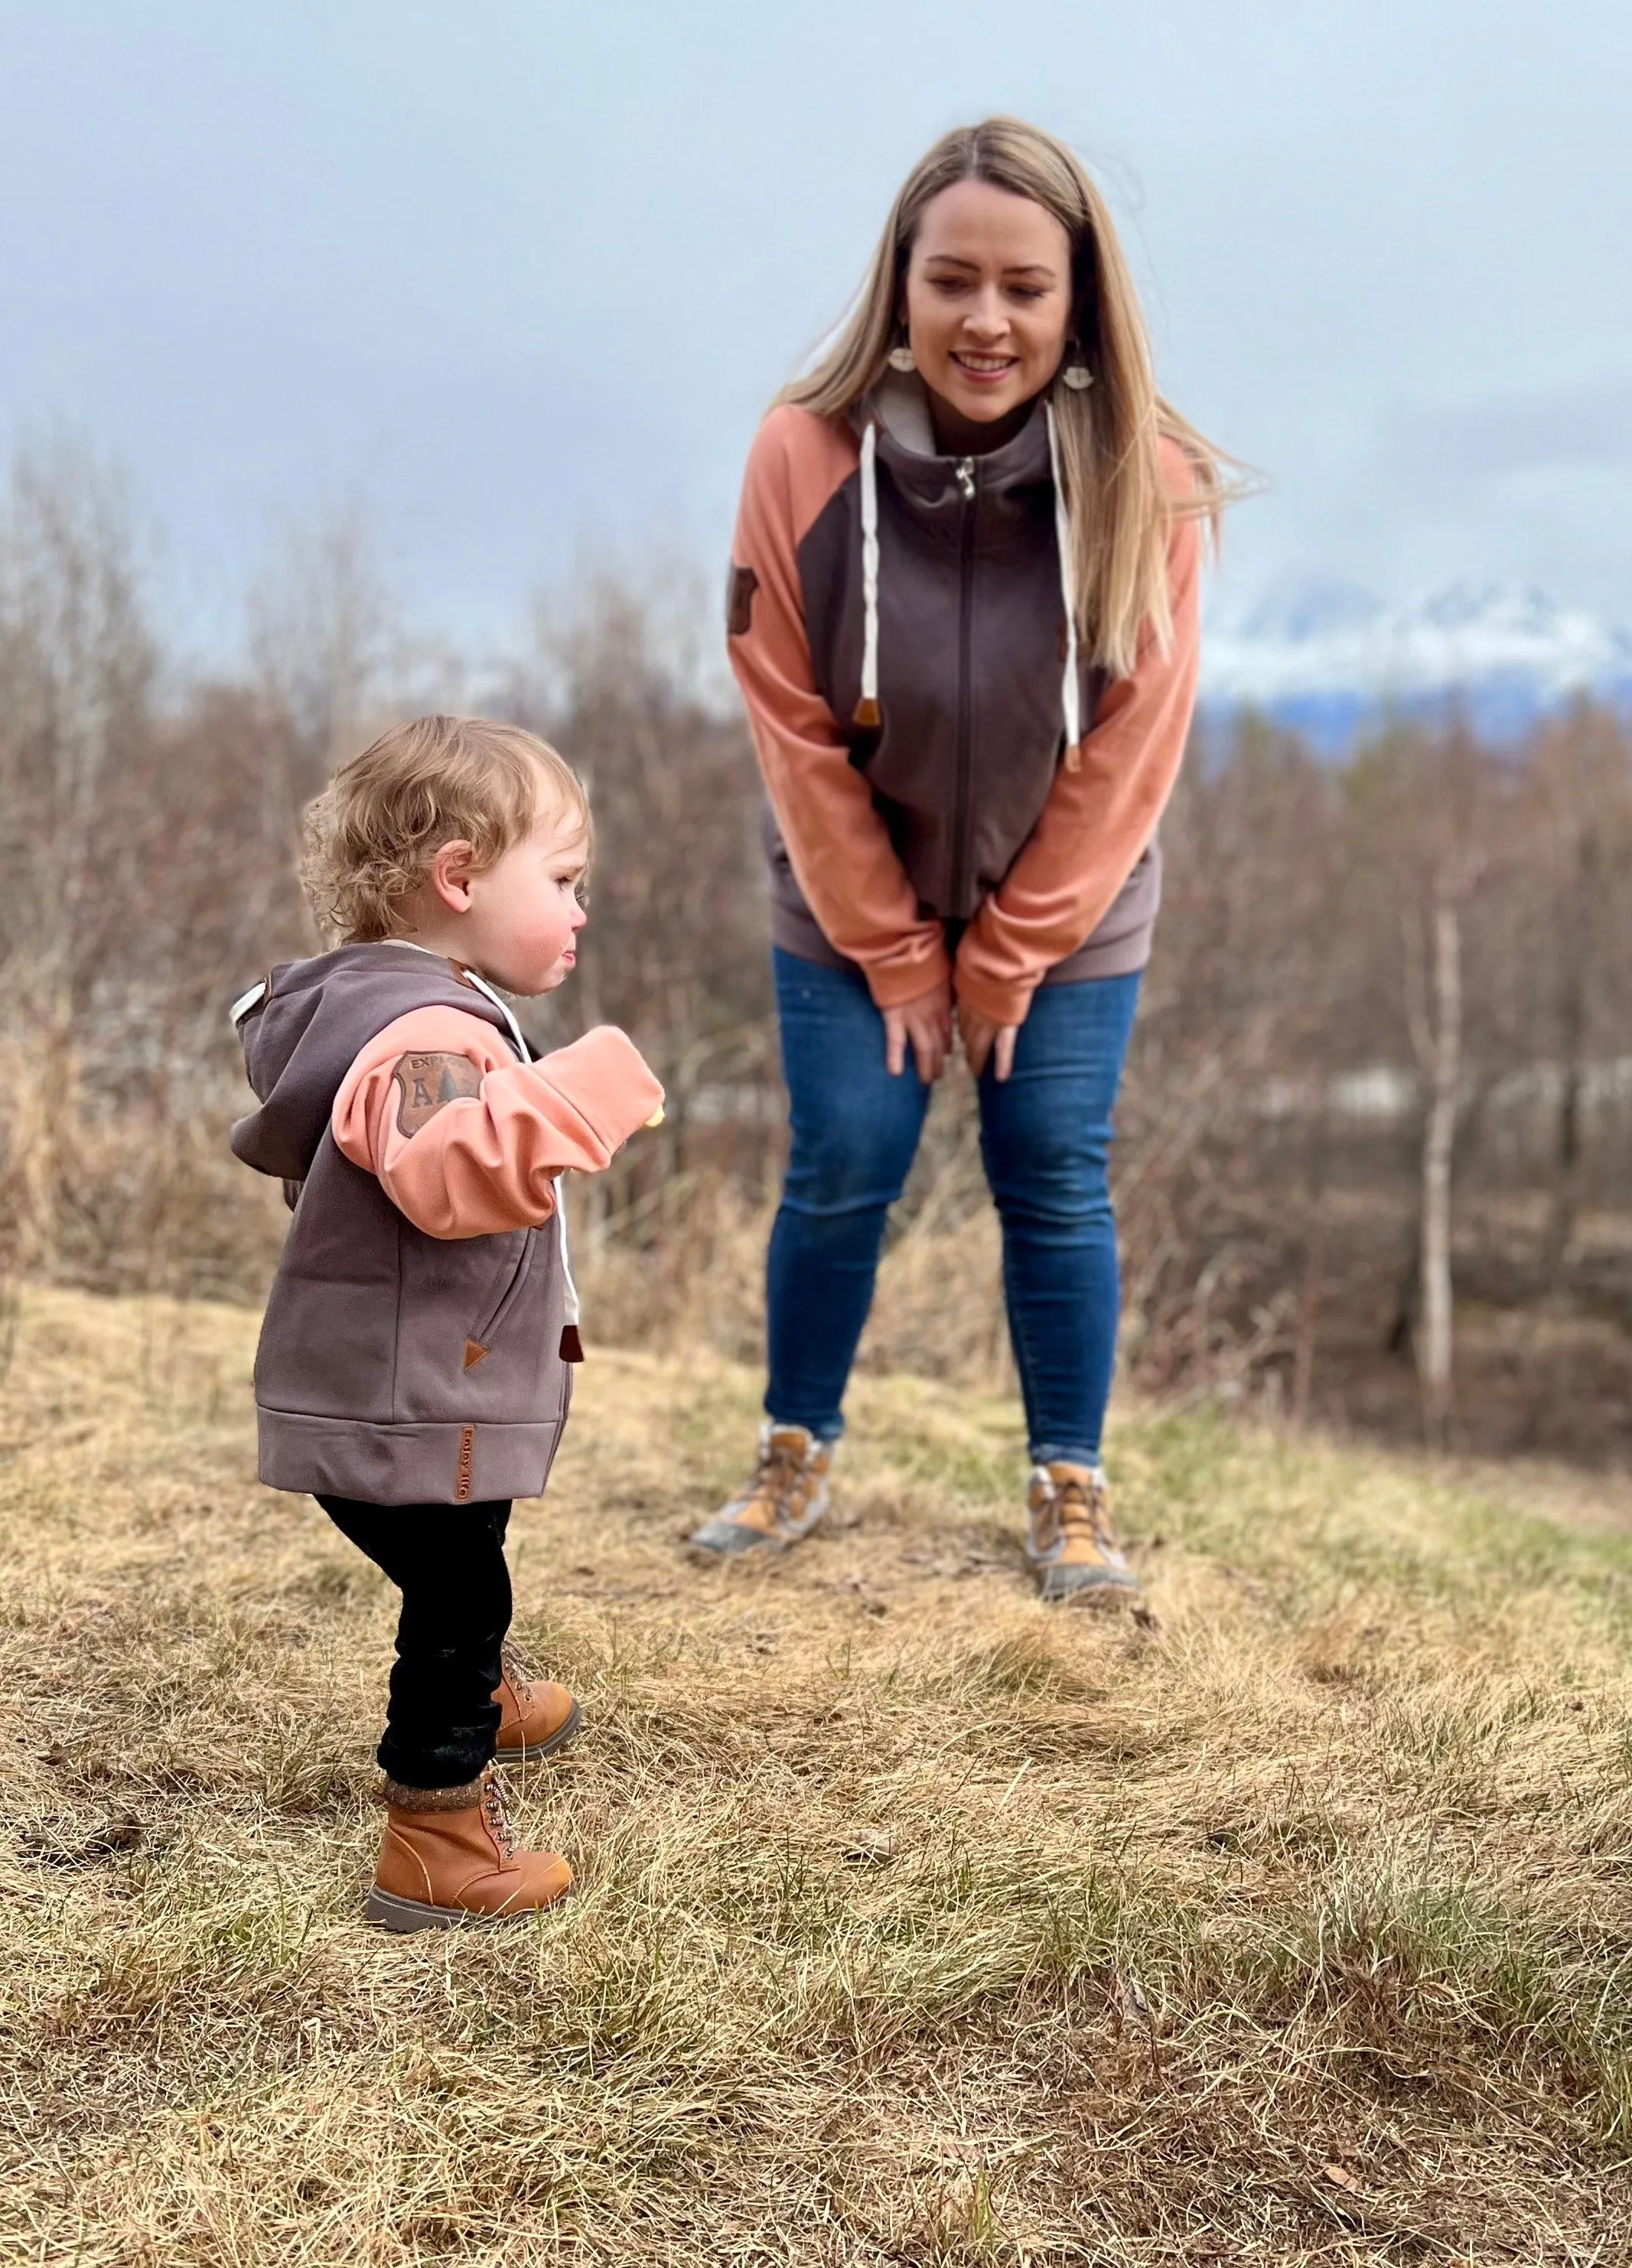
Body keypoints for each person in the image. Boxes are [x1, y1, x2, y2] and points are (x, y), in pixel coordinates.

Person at [694, 116, 1239, 1600]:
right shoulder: (798, 456)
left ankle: (1072, 1487)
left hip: (1070, 911)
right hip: (841, 893)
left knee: (1052, 1168)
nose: (985, 320)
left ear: (1076, 304)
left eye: (1023, 287)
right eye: (952, 282)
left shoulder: (1152, 478)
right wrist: (888, 946)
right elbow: (790, 723)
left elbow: (1137, 740)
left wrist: (1005, 956)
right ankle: (792, 1449)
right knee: (846, 1162)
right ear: (901, 285)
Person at [230, 716, 663, 1931]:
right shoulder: (429, 1034)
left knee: (462, 1575)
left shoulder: (393, 1005)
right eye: (565, 883)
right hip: (411, 1398)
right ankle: (435, 1835)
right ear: (460, 877)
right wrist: (587, 1085)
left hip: (393, 1382)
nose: (581, 913)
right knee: (459, 1592)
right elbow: (445, 1165)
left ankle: (479, 1693)